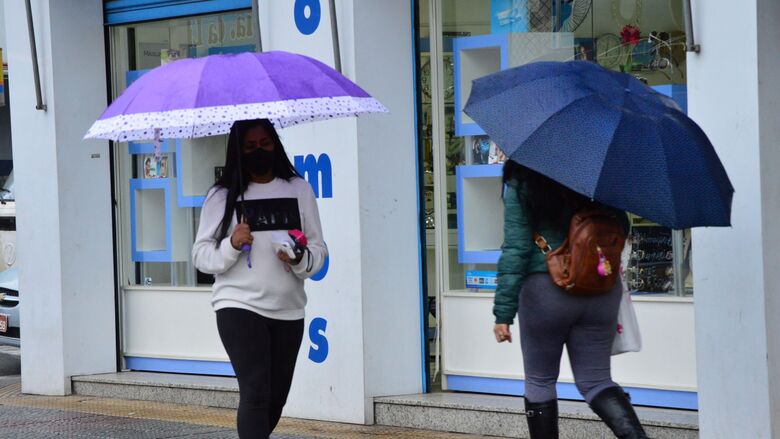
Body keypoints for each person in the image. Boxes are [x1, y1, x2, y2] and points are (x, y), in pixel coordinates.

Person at [192, 119, 327, 439]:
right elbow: (201, 256)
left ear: (275, 144)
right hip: (238, 304)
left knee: (275, 399)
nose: (259, 152)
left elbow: (318, 249)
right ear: (238, 151)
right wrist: (232, 244)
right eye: (250, 147)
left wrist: (299, 258)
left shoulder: (298, 188)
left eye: (265, 144)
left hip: (288, 309)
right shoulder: (222, 196)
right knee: (255, 392)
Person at [493, 160, 647, 439]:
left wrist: (503, 314)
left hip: (546, 291)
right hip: (600, 288)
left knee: (540, 380)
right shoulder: (596, 171)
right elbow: (620, 227)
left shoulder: (524, 179)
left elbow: (516, 250)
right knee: (597, 381)